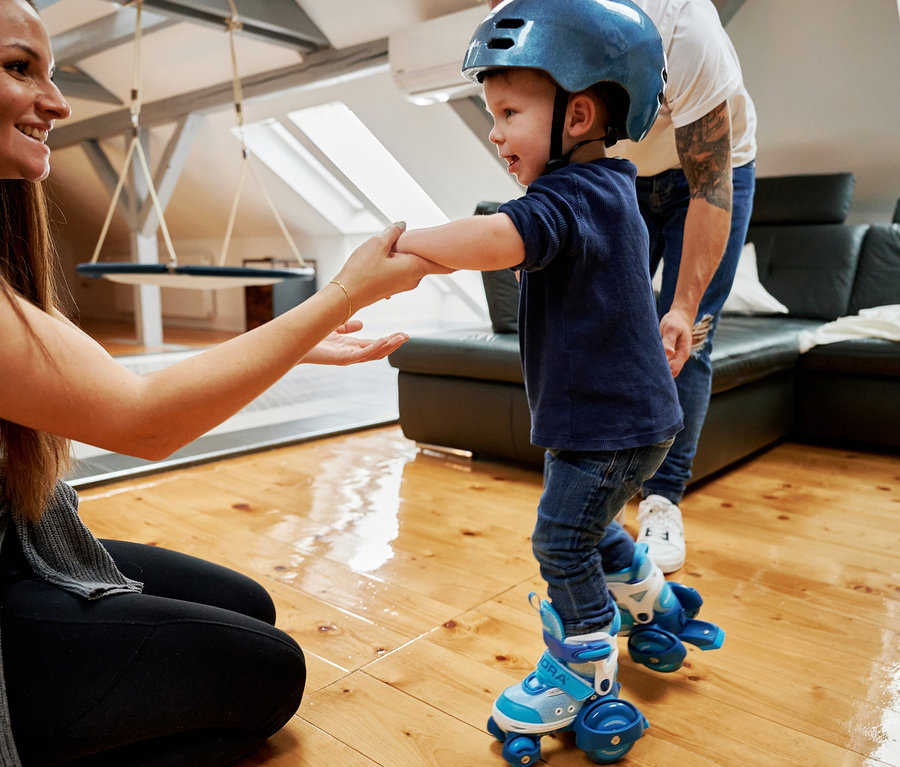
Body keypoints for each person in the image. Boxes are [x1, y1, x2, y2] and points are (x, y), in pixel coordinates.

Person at [0, 1, 437, 764]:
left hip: (17, 538)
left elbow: (105, 384)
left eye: (53, 72)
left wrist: (287, 348)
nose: (59, 102)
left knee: (250, 606)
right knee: (273, 675)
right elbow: (142, 420)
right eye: (18, 67)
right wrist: (344, 291)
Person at [393, 0, 723, 762]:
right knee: (589, 521)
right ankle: (647, 596)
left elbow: (498, 235)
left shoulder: (567, 198)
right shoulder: (612, 187)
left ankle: (585, 666)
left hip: (608, 428)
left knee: (559, 537)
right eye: (492, 115)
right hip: (630, 423)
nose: (495, 132)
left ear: (577, 115)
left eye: (509, 112)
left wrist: (408, 246)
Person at [613, 0, 758, 573]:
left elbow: (710, 186)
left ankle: (662, 501)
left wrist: (682, 306)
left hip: (712, 172)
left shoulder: (679, 25)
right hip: (623, 174)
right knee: (606, 332)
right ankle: (603, 490)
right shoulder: (527, 31)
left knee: (685, 338)